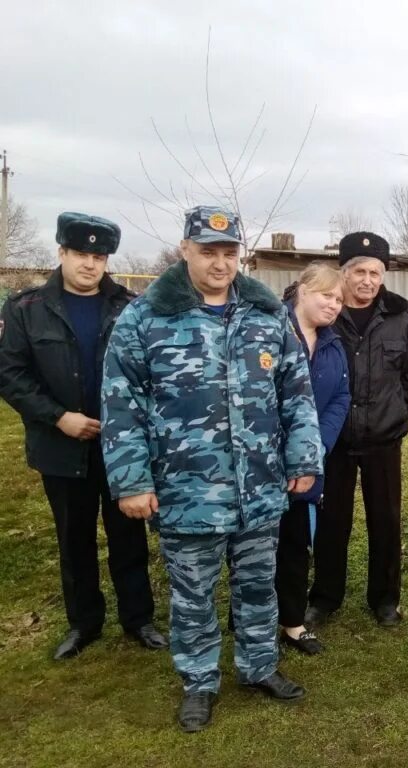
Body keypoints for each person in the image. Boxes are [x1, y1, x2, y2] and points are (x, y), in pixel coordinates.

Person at [101, 205, 322, 732]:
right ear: (185, 250)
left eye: (229, 252)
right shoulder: (146, 317)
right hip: (186, 490)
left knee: (257, 585)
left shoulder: (266, 314)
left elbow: (296, 392)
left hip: (260, 486)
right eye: (208, 252)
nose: (220, 263)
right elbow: (120, 402)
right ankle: (199, 682)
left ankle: (258, 666)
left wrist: (305, 456)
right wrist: (131, 480)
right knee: (194, 595)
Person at [0, 212, 166, 661]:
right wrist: (58, 418)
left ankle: (138, 619)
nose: (90, 264)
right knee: (74, 538)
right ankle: (84, 623)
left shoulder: (130, 307)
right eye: (81, 254)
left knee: (128, 535)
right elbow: (11, 374)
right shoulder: (26, 308)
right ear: (61, 253)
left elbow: (146, 372)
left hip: (121, 447)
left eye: (99, 256)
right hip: (61, 445)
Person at [307, 232, 408, 629]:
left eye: (375, 272)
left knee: (386, 520)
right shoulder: (326, 314)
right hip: (334, 441)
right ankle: (325, 597)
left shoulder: (399, 319)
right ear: (343, 273)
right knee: (331, 522)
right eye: (359, 271)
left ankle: (385, 599)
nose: (368, 280)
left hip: (382, 440)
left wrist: (398, 418)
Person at [276, 264, 350, 655]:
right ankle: (247, 617)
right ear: (302, 290)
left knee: (295, 542)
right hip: (265, 461)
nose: (334, 305)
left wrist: (316, 445)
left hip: (307, 463)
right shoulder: (270, 331)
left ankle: (292, 622)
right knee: (252, 545)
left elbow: (340, 396)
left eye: (338, 299)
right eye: (326, 295)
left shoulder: (332, 343)